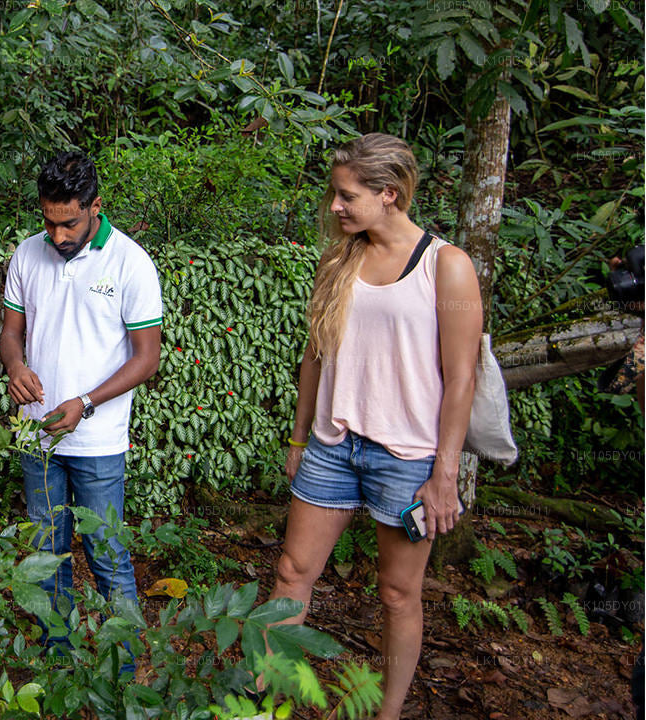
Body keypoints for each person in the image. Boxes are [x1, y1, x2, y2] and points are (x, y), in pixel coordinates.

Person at [269, 133, 482, 719]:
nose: (335, 207)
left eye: (346, 196)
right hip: (332, 447)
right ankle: (264, 694)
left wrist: (446, 475)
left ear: (389, 194)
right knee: (292, 571)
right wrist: (298, 434)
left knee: (396, 592)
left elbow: (462, 380)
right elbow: (315, 352)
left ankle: (385, 713)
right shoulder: (341, 257)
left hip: (408, 457)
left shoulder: (448, 266)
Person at [0, 151, 162, 660]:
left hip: (97, 442)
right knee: (47, 556)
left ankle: (124, 668)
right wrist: (16, 368)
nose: (58, 235)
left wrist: (86, 403)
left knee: (108, 556)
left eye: (68, 223)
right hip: (38, 439)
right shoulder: (28, 253)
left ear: (95, 206)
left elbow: (147, 358)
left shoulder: (131, 263)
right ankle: (58, 661)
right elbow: (10, 331)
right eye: (48, 222)